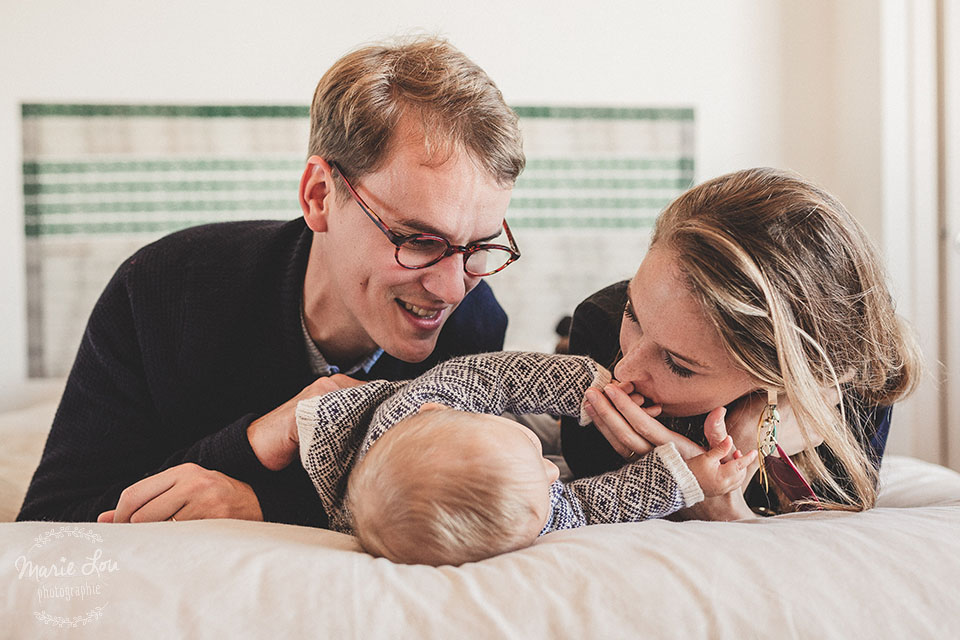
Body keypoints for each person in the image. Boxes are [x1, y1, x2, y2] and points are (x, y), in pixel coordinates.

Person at [17, 36, 525, 527]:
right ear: (320, 196)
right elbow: (50, 524)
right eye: (418, 240)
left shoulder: (474, 328)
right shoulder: (161, 291)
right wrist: (259, 438)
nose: (453, 290)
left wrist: (261, 501)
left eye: (479, 246)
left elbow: (446, 509)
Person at [561, 167, 922, 518]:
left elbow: (822, 538)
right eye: (634, 315)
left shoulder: (859, 372)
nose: (624, 367)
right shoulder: (601, 327)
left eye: (678, 364)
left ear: (778, 377)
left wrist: (745, 454)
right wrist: (667, 482)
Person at [296, 351, 756, 566]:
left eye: (536, 457)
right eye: (543, 486)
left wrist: (588, 390)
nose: (553, 470)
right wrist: (683, 477)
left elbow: (488, 377)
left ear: (438, 413)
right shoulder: (515, 515)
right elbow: (588, 505)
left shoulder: (421, 405)